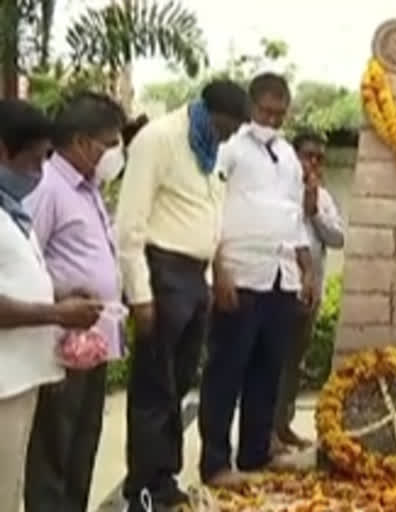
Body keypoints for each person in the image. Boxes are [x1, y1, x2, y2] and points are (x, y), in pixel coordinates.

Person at [116, 79, 249, 511]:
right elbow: (130, 226)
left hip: (195, 277)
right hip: (162, 271)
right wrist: (140, 295)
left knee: (178, 386)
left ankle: (165, 478)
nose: (230, 136)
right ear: (209, 112)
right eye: (228, 126)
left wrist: (210, 280)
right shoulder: (160, 140)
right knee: (154, 387)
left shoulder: (207, 151)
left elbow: (206, 218)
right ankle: (142, 490)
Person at [198, 72, 315, 488]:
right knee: (226, 371)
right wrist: (219, 268)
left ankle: (254, 454)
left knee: (268, 371)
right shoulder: (228, 148)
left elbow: (294, 214)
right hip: (239, 273)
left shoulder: (287, 155)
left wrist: (307, 266)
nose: (273, 120)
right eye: (266, 111)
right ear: (251, 106)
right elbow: (209, 206)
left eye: (281, 114)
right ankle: (214, 463)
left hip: (281, 276)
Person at [23, 93, 126, 512]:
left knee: (82, 448)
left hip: (92, 344)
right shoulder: (47, 187)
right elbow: (24, 262)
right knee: (54, 453)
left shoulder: (89, 190)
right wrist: (60, 299)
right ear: (82, 142)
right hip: (59, 345)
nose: (114, 154)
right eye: (109, 144)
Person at [0, 99, 103, 512]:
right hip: (4, 384)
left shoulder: (11, 212)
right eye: (33, 160)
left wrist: (57, 295)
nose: (40, 173)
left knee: (10, 491)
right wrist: (56, 314)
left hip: (22, 378)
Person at [272, 132, 344, 452]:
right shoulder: (277, 191)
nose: (313, 163)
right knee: (271, 361)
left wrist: (314, 211)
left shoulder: (324, 197)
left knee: (294, 362)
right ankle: (266, 432)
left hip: (310, 294)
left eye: (319, 158)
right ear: (293, 156)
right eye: (308, 155)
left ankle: (283, 425)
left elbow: (338, 238)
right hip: (279, 288)